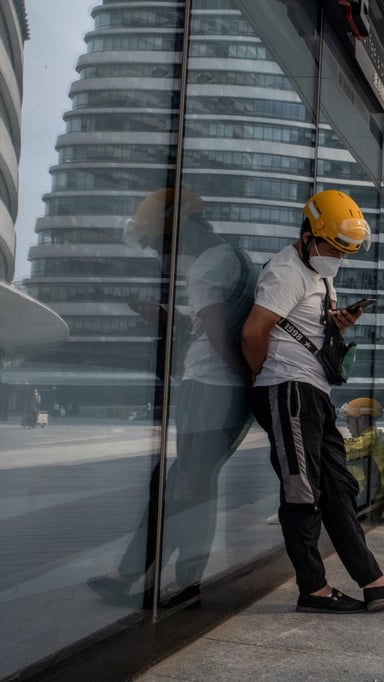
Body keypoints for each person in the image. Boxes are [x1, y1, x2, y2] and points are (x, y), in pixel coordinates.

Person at [242, 189, 384, 613]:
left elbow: (303, 329)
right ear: (307, 234)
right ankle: (314, 589)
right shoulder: (287, 271)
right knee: (302, 491)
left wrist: (338, 326)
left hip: (315, 392)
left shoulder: (321, 274)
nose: (336, 257)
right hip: (287, 389)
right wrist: (260, 377)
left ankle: (374, 581)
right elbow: (254, 332)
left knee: (340, 488)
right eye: (329, 246)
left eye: (343, 251)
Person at [89, 188, 257, 608]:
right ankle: (140, 574)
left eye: (157, 245)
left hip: (209, 388)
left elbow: (218, 335)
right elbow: (218, 323)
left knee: (188, 485)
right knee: (187, 481)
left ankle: (178, 582)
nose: (160, 256)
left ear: (178, 233)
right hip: (229, 389)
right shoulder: (233, 257)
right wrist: (170, 316)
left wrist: (245, 376)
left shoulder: (203, 268)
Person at [340, 397, 384, 519]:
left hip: (369, 504)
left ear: (362, 420)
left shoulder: (372, 437)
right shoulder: (373, 436)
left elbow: (347, 449)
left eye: (349, 421)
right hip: (369, 500)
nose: (347, 426)